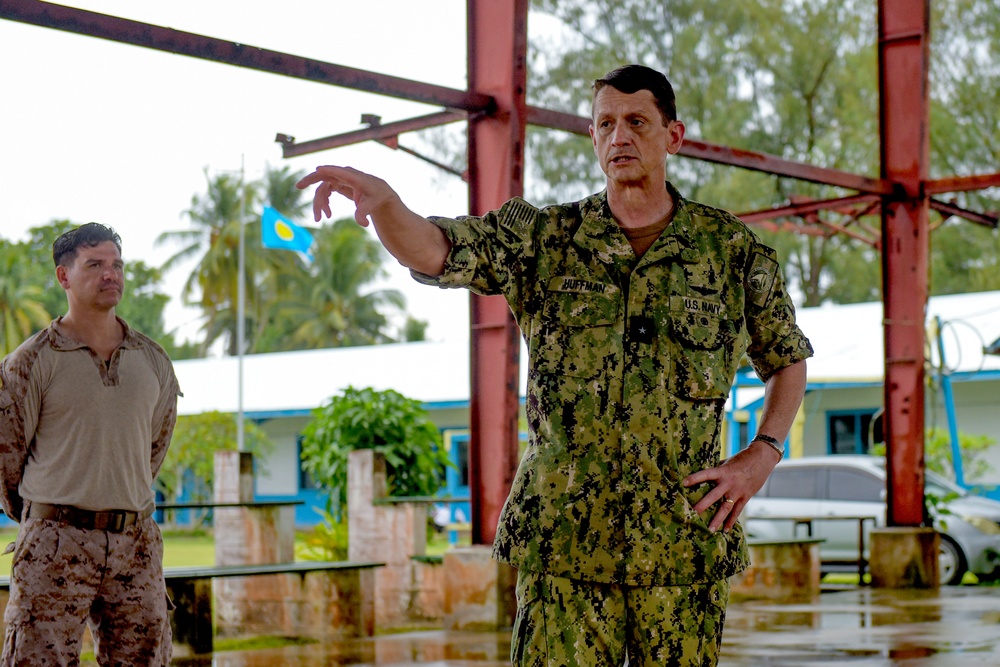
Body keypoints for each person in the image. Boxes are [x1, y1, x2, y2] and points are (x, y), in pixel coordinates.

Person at [297, 64, 812, 666]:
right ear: (594, 139)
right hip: (563, 547)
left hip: (680, 546)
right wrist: (387, 206)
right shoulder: (545, 239)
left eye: (636, 122)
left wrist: (763, 453)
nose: (619, 136)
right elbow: (439, 250)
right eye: (605, 124)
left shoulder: (730, 251)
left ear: (673, 136)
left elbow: (786, 359)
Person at [0, 223, 180, 665]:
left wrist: (118, 494)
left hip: (135, 542)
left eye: (116, 265)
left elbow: (152, 447)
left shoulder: (153, 360)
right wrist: (49, 511)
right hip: (55, 543)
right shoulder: (31, 361)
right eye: (95, 264)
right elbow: (7, 456)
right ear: (64, 276)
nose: (110, 275)